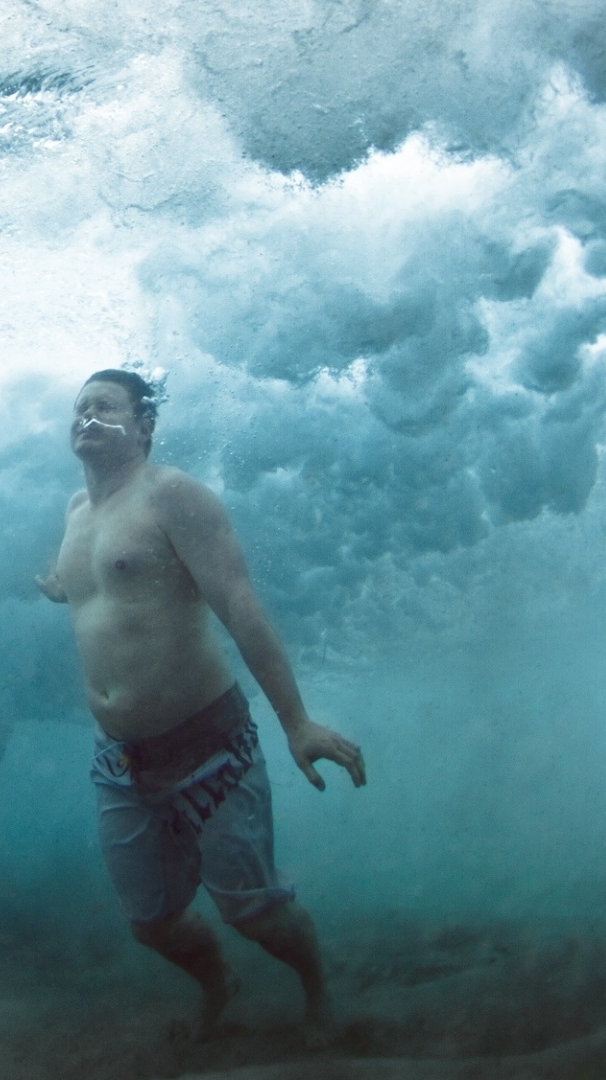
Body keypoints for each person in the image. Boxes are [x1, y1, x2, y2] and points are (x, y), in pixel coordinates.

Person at [36, 370, 365, 1044]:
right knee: (151, 923)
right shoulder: (75, 511)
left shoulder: (173, 495)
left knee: (253, 913)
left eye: (105, 407)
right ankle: (220, 984)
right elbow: (104, 584)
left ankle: (319, 993)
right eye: (80, 407)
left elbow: (240, 606)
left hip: (210, 743)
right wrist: (59, 585)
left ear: (144, 426)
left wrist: (296, 722)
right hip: (120, 759)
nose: (87, 417)